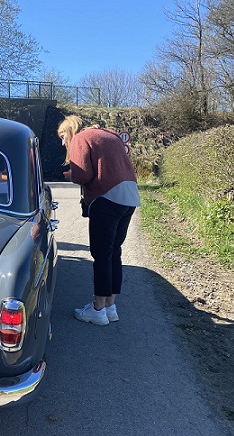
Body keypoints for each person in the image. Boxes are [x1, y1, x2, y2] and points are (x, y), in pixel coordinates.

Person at [58, 115, 141, 326]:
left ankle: (97, 310)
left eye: (62, 136)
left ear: (70, 131)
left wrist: (69, 175)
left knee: (101, 254)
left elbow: (82, 175)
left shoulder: (81, 138)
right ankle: (110, 307)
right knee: (114, 252)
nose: (63, 143)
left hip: (106, 199)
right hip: (129, 197)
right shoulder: (108, 134)